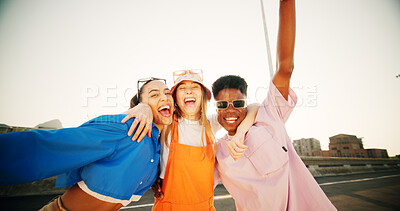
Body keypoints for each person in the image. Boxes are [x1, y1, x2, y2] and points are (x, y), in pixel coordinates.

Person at [212, 0, 337, 210]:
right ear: (216, 108)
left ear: (246, 103)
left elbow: (285, 67)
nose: (230, 109)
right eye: (223, 104)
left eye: (238, 102)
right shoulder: (216, 153)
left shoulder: (270, 115)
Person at [0, 78, 174, 211]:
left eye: (167, 93)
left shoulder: (158, 145)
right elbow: (49, 146)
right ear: (140, 104)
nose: (164, 97)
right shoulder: (122, 129)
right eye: (154, 94)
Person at [123, 69, 258, 210]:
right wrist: (143, 107)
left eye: (194, 87)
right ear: (174, 97)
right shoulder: (167, 123)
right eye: (182, 88)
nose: (189, 92)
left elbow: (254, 108)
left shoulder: (211, 124)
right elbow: (134, 115)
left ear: (204, 96)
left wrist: (240, 133)